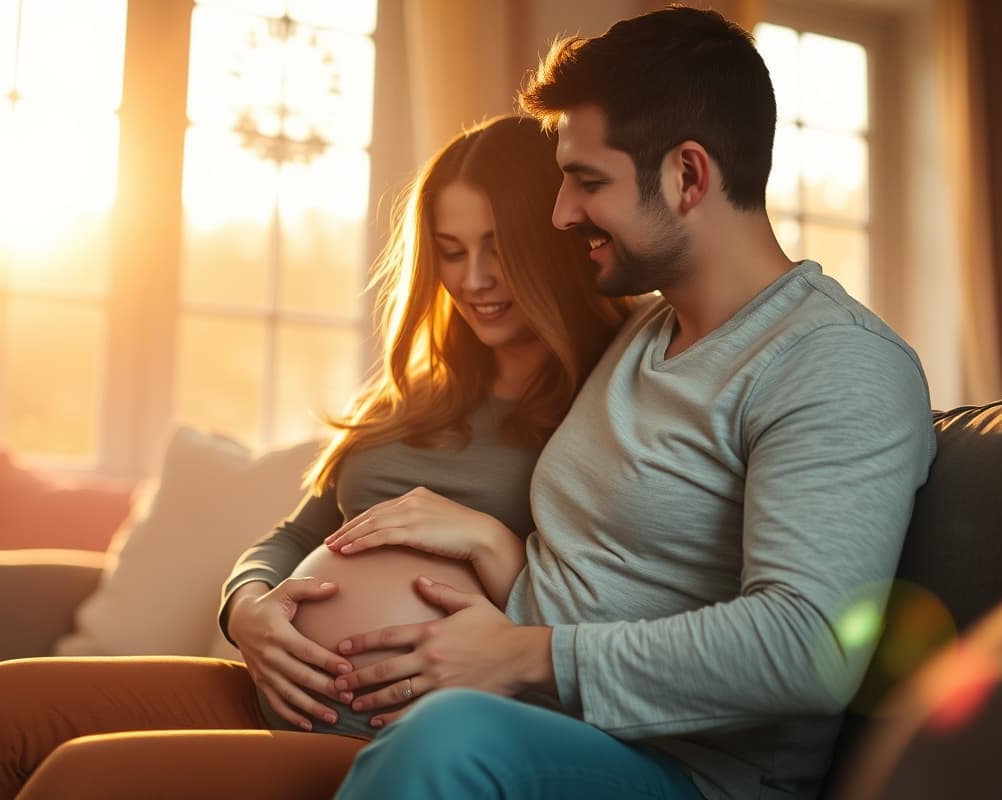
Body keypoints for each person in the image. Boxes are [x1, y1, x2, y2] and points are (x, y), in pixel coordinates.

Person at [0, 114, 633, 800]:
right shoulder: (413, 398)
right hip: (277, 689)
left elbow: (605, 608)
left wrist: (489, 539)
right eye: (451, 250)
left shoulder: (610, 406)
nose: (472, 278)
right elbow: (295, 534)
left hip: (396, 735)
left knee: (82, 778)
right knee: (1, 702)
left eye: (497, 247)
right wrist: (247, 605)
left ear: (555, 237)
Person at [326, 8, 936, 800]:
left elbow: (809, 645)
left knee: (449, 741)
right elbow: (608, 574)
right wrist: (492, 549)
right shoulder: (644, 332)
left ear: (688, 176)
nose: (561, 213)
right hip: (529, 715)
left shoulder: (833, 362)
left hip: (684, 772)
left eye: (588, 182)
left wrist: (524, 655)